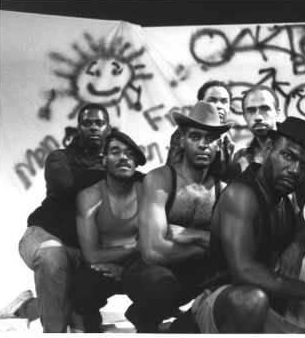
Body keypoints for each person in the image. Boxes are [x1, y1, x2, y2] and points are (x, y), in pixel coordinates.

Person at [192, 117, 305, 333]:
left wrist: (297, 247)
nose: (295, 170)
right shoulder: (241, 194)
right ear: (269, 149)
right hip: (224, 301)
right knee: (253, 300)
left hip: (268, 300)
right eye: (288, 156)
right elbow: (243, 271)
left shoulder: (285, 196)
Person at [121, 101, 232, 333]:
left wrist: (192, 235)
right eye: (195, 136)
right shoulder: (161, 179)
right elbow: (153, 252)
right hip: (147, 270)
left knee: (232, 278)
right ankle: (148, 316)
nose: (203, 144)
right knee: (161, 286)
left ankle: (172, 323)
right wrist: (210, 244)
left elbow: (232, 248)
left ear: (219, 144)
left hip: (191, 270)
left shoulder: (223, 189)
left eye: (210, 138)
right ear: (184, 139)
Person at [13, 103, 111, 332]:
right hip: (44, 236)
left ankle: (25, 307)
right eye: (87, 123)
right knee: (52, 256)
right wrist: (104, 171)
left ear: (108, 128)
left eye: (99, 123)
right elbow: (63, 182)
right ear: (79, 128)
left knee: (81, 320)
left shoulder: (115, 159)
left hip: (81, 250)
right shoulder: (60, 157)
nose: (93, 128)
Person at [69, 131, 146, 332]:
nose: (123, 157)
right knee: (81, 289)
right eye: (115, 152)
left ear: (136, 162)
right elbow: (93, 257)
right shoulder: (90, 195)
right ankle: (87, 317)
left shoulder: (147, 191)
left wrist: (128, 272)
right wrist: (136, 246)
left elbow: (155, 244)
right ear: (104, 160)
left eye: (130, 153)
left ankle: (148, 317)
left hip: (138, 265)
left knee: (160, 282)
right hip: (102, 266)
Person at [166, 80, 235, 179]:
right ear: (200, 103)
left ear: (229, 107)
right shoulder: (185, 132)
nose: (219, 106)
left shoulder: (228, 140)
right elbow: (178, 173)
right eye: (212, 100)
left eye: (224, 101)